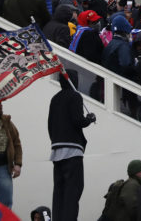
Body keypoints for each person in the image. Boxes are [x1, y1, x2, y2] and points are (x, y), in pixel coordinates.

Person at [48, 74, 97, 221]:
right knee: (73, 191)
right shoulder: (75, 96)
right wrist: (89, 119)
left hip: (56, 150)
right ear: (73, 80)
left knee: (59, 192)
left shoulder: (55, 99)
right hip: (73, 150)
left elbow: (50, 124)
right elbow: (77, 120)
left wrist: (56, 140)